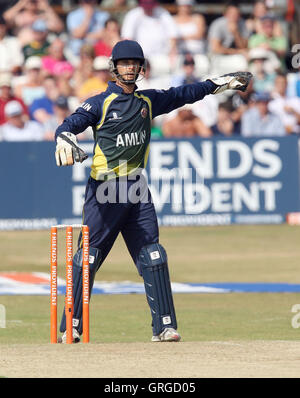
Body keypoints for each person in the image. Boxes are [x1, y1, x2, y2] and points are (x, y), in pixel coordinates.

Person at [54, 39, 251, 343]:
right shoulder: (99, 103)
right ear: (114, 67)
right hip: (105, 191)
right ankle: (71, 325)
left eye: (135, 63)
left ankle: (164, 326)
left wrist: (220, 84)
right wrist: (64, 137)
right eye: (124, 63)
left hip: (136, 189)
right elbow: (71, 122)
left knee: (154, 255)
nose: (130, 68)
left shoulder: (147, 102)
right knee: (88, 257)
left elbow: (184, 94)